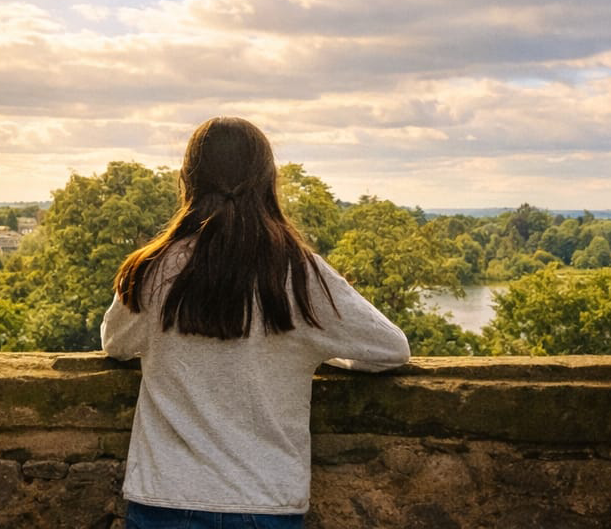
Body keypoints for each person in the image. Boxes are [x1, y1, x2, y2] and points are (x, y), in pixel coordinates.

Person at [101, 116, 410, 529]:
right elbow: (390, 349)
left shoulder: (157, 268)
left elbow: (115, 342)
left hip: (166, 497)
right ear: (268, 181)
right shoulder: (300, 274)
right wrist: (320, 349)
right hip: (265, 502)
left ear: (188, 182)